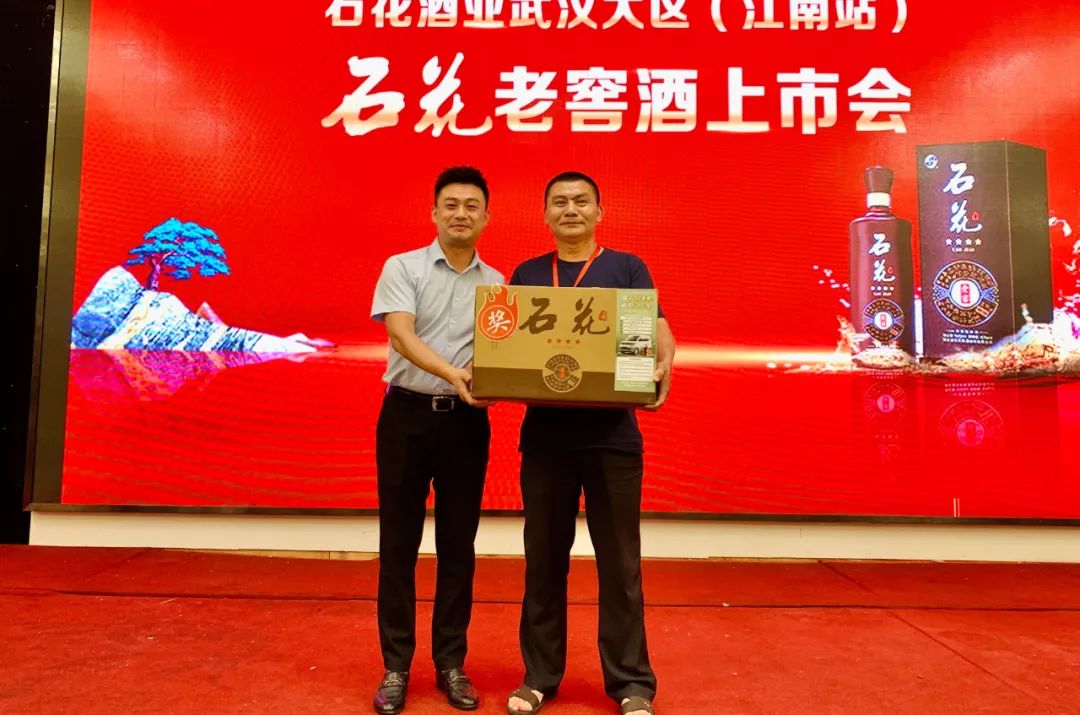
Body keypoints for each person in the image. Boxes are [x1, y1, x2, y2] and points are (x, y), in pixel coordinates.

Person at [505, 172, 674, 715]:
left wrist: (664, 361)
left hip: (612, 439)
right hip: (546, 439)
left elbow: (656, 328)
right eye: (559, 202)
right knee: (543, 561)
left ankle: (631, 683)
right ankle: (539, 676)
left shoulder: (626, 268)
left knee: (620, 564)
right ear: (545, 214)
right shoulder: (529, 274)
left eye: (581, 201)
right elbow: (506, 344)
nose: (570, 209)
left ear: (600, 212)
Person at [369, 166, 503, 714]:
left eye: (472, 206)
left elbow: (503, 354)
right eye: (451, 204)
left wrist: (501, 382)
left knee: (458, 545)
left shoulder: (499, 285)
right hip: (405, 416)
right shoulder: (402, 267)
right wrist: (454, 374)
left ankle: (451, 662)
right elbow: (401, 334)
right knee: (398, 546)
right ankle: (396, 666)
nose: (460, 214)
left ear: (486, 217)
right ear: (434, 212)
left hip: (466, 424)